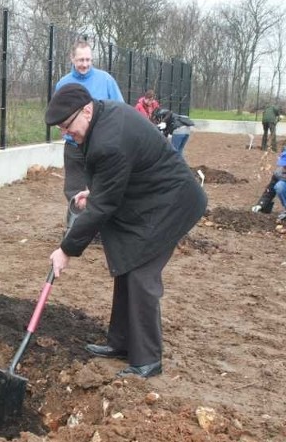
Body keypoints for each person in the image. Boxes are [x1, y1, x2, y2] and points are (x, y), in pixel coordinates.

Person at [46, 84, 207, 378]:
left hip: (172, 203)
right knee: (125, 264)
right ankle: (121, 343)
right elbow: (112, 182)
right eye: (61, 129)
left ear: (86, 110)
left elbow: (103, 207)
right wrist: (93, 192)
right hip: (150, 197)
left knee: (141, 274)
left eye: (67, 126)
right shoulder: (104, 116)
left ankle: (147, 359)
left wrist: (67, 249)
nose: (66, 134)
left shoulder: (110, 137)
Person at [54, 39, 124, 229]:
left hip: (101, 145)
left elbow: (120, 109)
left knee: (101, 187)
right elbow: (57, 113)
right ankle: (75, 228)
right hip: (74, 146)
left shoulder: (106, 80)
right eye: (80, 60)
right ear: (72, 59)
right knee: (73, 189)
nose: (84, 64)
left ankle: (103, 229)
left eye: (88, 60)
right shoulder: (63, 84)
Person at [252, 150, 286, 221]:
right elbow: (270, 190)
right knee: (279, 186)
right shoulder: (279, 173)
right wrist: (261, 204)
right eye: (284, 166)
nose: (284, 168)